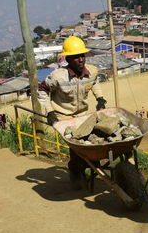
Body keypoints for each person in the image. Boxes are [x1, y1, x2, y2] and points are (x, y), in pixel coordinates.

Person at [38, 36, 107, 188]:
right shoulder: (57, 76)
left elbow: (95, 83)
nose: (81, 59)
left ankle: (91, 165)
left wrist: (100, 98)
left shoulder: (92, 72)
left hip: (82, 114)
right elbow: (42, 90)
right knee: (75, 147)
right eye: (76, 57)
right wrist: (49, 112)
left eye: (82, 55)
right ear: (68, 59)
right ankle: (76, 170)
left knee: (91, 142)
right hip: (63, 117)